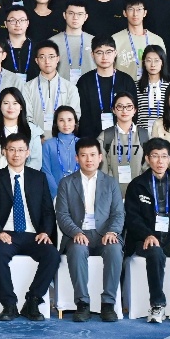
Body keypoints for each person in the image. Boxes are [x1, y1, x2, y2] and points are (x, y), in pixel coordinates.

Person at [0, 134, 59, 321]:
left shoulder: (38, 178)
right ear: (4, 151)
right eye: (12, 150)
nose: (16, 154)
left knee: (52, 255)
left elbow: (48, 210)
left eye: (21, 150)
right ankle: (9, 304)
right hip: (6, 234)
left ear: (28, 152)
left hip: (33, 235)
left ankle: (33, 301)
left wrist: (45, 232)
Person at [124, 137, 170, 324]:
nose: (160, 161)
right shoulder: (137, 185)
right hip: (145, 237)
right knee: (155, 253)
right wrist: (146, 234)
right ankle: (157, 304)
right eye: (155, 156)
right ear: (147, 158)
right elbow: (132, 217)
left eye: (164, 156)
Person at [55, 138, 125, 322]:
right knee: (77, 250)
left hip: (105, 234)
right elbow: (62, 214)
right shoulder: (66, 183)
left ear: (100, 157)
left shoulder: (111, 183)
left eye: (93, 155)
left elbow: (118, 213)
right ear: (76, 158)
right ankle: (82, 303)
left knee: (115, 249)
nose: (89, 159)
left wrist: (112, 232)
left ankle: (108, 303)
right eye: (84, 155)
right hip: (78, 234)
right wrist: (76, 232)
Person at [75, 38, 139, 139]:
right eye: (99, 52)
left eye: (109, 52)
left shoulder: (126, 80)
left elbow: (133, 113)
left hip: (121, 138)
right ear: (92, 55)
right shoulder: (84, 81)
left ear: (115, 53)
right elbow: (82, 116)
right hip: (91, 140)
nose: (104, 57)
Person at [23, 41, 81, 140]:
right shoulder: (27, 87)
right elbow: (26, 116)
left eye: (51, 57)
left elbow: (75, 115)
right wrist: (37, 137)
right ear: (36, 60)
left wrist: (61, 137)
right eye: (42, 57)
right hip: (36, 140)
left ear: (57, 59)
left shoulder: (70, 88)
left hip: (63, 140)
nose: (47, 61)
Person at [0, 87, 43, 174]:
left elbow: (36, 161)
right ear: (0, 106)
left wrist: (21, 178)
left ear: (21, 106)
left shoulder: (33, 131)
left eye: (15, 103)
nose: (10, 107)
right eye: (6, 103)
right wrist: (0, 179)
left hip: (26, 180)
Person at [112, 0, 164, 82]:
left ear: (145, 13)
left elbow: (163, 69)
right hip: (124, 87)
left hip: (151, 88)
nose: (135, 14)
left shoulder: (157, 40)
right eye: (131, 9)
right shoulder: (115, 39)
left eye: (139, 9)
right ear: (124, 13)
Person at [99, 93, 149, 183]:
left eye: (129, 106)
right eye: (120, 106)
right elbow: (102, 169)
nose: (124, 110)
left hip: (139, 188)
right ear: (114, 110)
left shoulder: (145, 135)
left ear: (135, 110)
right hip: (112, 189)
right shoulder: (105, 136)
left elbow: (149, 165)